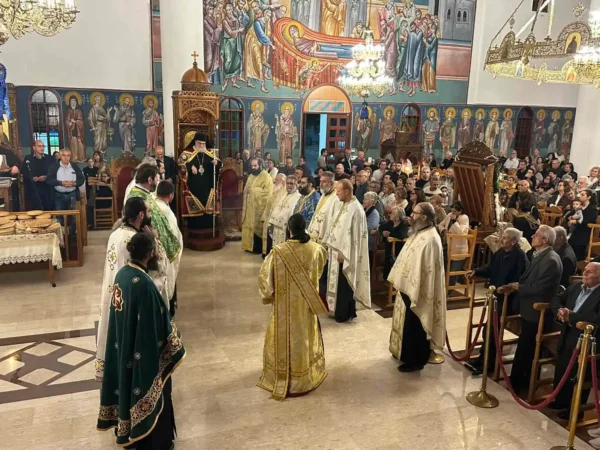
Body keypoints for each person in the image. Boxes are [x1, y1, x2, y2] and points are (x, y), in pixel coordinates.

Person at [97, 232, 185, 449]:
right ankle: (153, 441)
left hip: (124, 346)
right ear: (150, 253)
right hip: (140, 352)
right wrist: (175, 339)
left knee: (126, 385)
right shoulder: (144, 284)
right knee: (153, 386)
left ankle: (127, 431)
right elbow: (156, 323)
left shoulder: (122, 275)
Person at [95, 198, 170, 381]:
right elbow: (158, 269)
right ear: (141, 215)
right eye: (148, 212)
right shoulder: (136, 240)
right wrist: (154, 240)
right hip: (132, 298)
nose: (150, 216)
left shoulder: (115, 235)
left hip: (115, 293)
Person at [257, 214, 328, 400]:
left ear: (289, 229)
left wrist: (268, 295)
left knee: (283, 337)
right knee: (303, 338)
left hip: (283, 308)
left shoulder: (277, 253)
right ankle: (304, 376)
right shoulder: (317, 250)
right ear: (304, 227)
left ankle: (282, 374)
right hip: (305, 307)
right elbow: (319, 271)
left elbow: (265, 279)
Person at [389, 202, 446, 372]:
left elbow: (427, 270)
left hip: (419, 291)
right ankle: (404, 353)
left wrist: (413, 286)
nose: (411, 216)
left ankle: (415, 360)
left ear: (424, 217)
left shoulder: (431, 239)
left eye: (414, 213)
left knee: (415, 325)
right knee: (407, 323)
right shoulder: (419, 232)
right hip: (408, 287)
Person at [465, 228, 529, 375]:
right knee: (487, 329)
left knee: (492, 330)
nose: (501, 240)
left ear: (514, 241)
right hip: (496, 296)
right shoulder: (500, 252)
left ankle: (488, 363)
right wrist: (476, 271)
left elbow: (520, 279)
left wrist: (508, 288)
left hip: (508, 300)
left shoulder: (520, 256)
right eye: (502, 237)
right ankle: (482, 357)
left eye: (505, 238)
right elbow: (490, 268)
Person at [508, 225, 563, 392]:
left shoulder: (551, 260)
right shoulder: (540, 255)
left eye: (536, 235)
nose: (532, 236)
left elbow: (541, 288)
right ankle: (516, 380)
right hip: (529, 309)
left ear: (545, 240)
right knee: (524, 345)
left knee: (527, 348)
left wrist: (519, 287)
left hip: (537, 312)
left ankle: (520, 383)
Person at [550, 263, 600, 422]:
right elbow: (557, 298)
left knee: (579, 374)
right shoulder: (576, 285)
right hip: (568, 333)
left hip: (587, 339)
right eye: (585, 270)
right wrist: (559, 310)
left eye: (590, 272)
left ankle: (574, 410)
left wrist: (571, 317)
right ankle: (560, 401)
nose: (585, 273)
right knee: (562, 366)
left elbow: (596, 318)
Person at [323, 179, 371, 322]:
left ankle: (343, 313)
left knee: (344, 285)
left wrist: (344, 253)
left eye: (338, 191)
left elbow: (355, 236)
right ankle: (334, 309)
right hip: (335, 252)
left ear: (346, 191)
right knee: (335, 282)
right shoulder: (343, 205)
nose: (336, 193)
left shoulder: (356, 209)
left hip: (345, 255)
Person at [127, 164, 182, 264]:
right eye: (156, 178)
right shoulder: (138, 198)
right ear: (150, 180)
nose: (158, 182)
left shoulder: (143, 193)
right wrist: (155, 238)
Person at [177, 132, 222, 230]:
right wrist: (190, 166)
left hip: (207, 184)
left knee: (207, 202)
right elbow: (180, 163)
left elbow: (219, 164)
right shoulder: (187, 153)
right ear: (195, 142)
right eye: (199, 143)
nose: (201, 145)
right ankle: (194, 226)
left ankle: (209, 225)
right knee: (196, 202)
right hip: (193, 185)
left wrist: (217, 163)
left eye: (203, 143)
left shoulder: (211, 152)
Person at [156, 181, 184, 316]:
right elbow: (175, 235)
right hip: (164, 254)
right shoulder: (166, 211)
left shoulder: (153, 205)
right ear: (171, 195)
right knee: (167, 283)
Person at [241, 158, 274, 254]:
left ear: (260, 165)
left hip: (259, 208)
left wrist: (253, 190)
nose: (253, 167)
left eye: (255, 165)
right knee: (248, 226)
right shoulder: (251, 175)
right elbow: (246, 189)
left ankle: (257, 248)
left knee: (256, 228)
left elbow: (268, 193)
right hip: (249, 207)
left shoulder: (266, 176)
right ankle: (248, 246)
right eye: (252, 166)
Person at [46, 149, 85, 227]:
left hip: (72, 194)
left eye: (68, 155)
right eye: (64, 155)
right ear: (60, 156)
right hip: (58, 195)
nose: (66, 158)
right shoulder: (54, 166)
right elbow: (49, 180)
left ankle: (72, 233)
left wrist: (74, 183)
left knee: (73, 217)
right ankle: (61, 234)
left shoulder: (74, 166)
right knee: (59, 217)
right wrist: (61, 183)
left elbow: (81, 179)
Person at [438, 202, 469, 285]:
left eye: (454, 211)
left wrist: (454, 221)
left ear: (460, 211)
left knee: (452, 274)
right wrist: (444, 230)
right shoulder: (449, 215)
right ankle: (442, 288)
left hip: (458, 249)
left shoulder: (464, 218)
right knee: (441, 269)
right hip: (447, 245)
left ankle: (449, 290)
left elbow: (460, 232)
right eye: (452, 211)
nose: (452, 213)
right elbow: (440, 225)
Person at [268, 175, 301, 250]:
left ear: (296, 185)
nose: (289, 185)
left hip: (286, 227)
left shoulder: (298, 197)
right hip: (277, 225)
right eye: (288, 183)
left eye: (291, 183)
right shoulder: (283, 195)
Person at [22, 140, 54, 210]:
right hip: (33, 189)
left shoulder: (50, 158)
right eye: (39, 146)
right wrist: (32, 178)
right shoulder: (28, 158)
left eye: (43, 146)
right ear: (34, 148)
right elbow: (24, 172)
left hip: (47, 188)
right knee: (35, 210)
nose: (42, 148)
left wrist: (46, 177)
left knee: (48, 209)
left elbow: (54, 172)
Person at [379, 206, 409, 278]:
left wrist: (389, 234)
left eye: (392, 213)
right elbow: (381, 227)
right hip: (389, 247)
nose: (390, 215)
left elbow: (401, 235)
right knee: (387, 256)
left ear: (397, 218)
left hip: (398, 248)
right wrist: (383, 232)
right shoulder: (391, 223)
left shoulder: (404, 225)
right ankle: (386, 278)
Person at [261, 173, 287, 256]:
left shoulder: (285, 192)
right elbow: (268, 204)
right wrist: (263, 217)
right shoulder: (274, 189)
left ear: (283, 182)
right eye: (275, 179)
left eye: (277, 180)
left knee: (273, 238)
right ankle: (267, 254)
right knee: (268, 237)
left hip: (276, 220)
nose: (274, 181)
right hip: (268, 217)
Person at [568, 189, 598, 261]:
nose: (580, 196)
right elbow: (568, 216)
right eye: (580, 194)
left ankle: (579, 264)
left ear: (589, 197)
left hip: (584, 232)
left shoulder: (592, 209)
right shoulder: (579, 207)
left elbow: (587, 222)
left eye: (582, 195)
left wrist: (575, 221)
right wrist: (572, 217)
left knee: (577, 245)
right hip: (575, 230)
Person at [363, 192, 381, 267]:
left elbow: (371, 227)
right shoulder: (364, 210)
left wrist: (359, 227)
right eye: (364, 199)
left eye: (366, 199)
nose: (363, 201)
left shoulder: (374, 213)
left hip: (368, 239)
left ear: (372, 201)